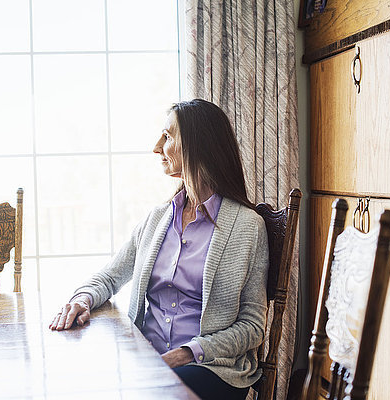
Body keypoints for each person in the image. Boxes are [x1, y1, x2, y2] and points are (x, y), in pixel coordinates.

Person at [49, 99, 269, 400]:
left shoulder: (247, 227)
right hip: (146, 358)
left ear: (196, 144)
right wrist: (82, 299)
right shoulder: (157, 219)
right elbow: (110, 276)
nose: (156, 147)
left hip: (212, 368)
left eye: (167, 137)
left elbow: (253, 326)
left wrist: (187, 353)